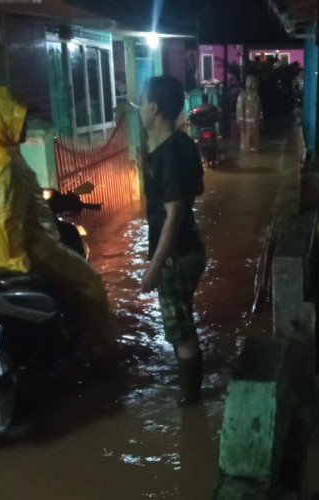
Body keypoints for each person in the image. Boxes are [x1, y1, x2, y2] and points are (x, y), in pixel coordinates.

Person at [0, 86, 117, 361]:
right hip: (33, 250)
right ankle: (104, 350)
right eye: (20, 119)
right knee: (91, 283)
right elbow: (6, 217)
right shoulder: (6, 162)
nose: (25, 125)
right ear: (4, 120)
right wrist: (17, 261)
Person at [138, 76, 207, 406]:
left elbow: (174, 214)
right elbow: (197, 190)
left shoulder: (166, 155)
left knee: (180, 332)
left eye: (141, 101)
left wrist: (155, 265)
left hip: (175, 256)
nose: (138, 108)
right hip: (191, 248)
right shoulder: (184, 144)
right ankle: (191, 391)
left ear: (154, 108)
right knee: (184, 320)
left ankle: (190, 405)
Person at [236, 75, 263, 153]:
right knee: (246, 144)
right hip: (246, 125)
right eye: (253, 82)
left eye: (256, 82)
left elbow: (260, 110)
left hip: (255, 124)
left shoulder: (257, 96)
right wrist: (241, 124)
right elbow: (240, 110)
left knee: (255, 144)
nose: (255, 84)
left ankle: (255, 159)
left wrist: (261, 121)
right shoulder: (243, 96)